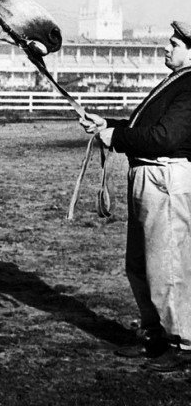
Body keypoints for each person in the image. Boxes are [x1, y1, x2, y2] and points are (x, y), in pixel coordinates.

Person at [80, 21, 191, 373]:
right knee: (141, 265)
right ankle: (156, 334)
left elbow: (164, 138)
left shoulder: (190, 86)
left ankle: (182, 343)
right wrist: (106, 125)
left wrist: (116, 136)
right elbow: (144, 129)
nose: (166, 48)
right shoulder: (175, 83)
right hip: (147, 176)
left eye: (174, 44)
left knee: (167, 265)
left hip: (164, 178)